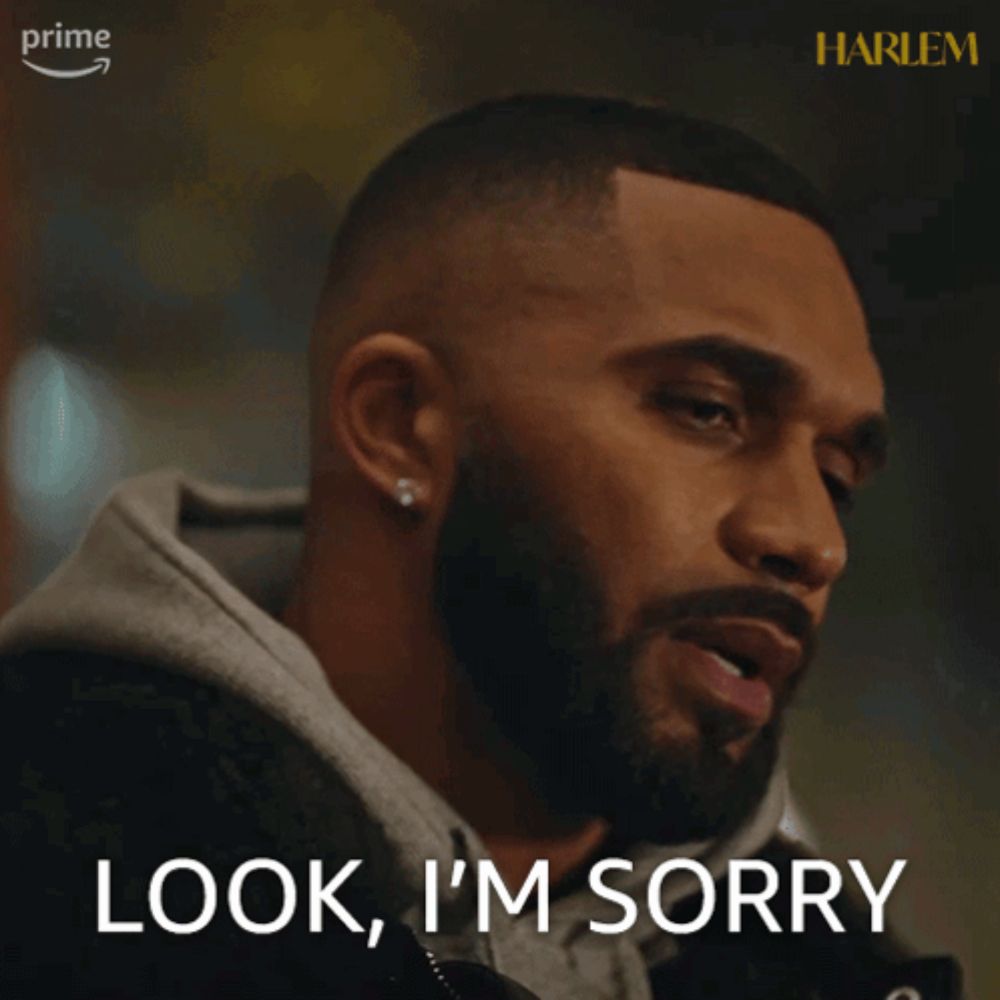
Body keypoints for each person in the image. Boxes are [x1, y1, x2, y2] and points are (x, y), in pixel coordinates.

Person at [0, 96, 963, 1000]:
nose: (812, 540)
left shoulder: (834, 959)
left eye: (837, 476)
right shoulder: (54, 876)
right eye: (707, 411)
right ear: (399, 425)